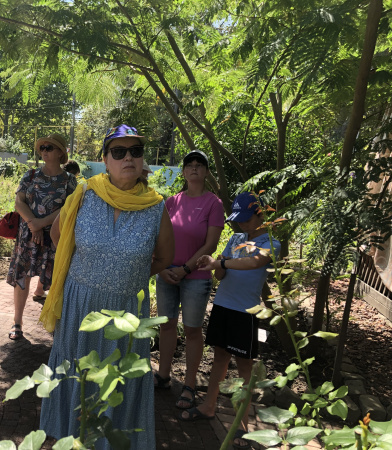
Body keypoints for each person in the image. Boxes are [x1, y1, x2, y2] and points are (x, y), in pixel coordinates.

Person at [39, 124, 175, 450]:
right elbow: (58, 235)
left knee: (117, 379)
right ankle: (70, 437)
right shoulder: (85, 194)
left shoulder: (156, 206)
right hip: (80, 306)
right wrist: (87, 269)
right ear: (105, 159)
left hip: (126, 313)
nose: (128, 158)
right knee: (76, 371)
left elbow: (164, 258)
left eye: (135, 151)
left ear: (142, 159)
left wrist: (128, 275)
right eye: (119, 152)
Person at [180, 192, 281, 450]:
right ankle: (209, 406)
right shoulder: (236, 238)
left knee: (245, 367)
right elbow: (221, 274)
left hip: (245, 312)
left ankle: (243, 425)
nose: (242, 224)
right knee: (220, 358)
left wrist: (222, 262)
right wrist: (214, 265)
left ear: (261, 214)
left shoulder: (271, 242)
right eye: (239, 220)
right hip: (223, 305)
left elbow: (254, 262)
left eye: (247, 219)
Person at [154, 150, 224, 411]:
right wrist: (162, 268)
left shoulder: (213, 203)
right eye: (189, 165)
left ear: (206, 172)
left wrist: (185, 269)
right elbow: (159, 237)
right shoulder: (172, 202)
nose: (194, 168)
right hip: (166, 274)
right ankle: (163, 376)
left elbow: (211, 244)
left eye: (199, 165)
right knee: (167, 325)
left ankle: (190, 384)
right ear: (183, 172)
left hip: (196, 277)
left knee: (193, 330)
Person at [6, 133, 77, 340]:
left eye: (49, 147)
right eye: (42, 147)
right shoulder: (30, 175)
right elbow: (19, 202)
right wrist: (33, 224)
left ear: (61, 152)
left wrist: (41, 223)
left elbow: (69, 208)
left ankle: (54, 323)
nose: (44, 151)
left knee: (56, 279)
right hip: (28, 236)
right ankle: (17, 322)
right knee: (22, 277)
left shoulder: (69, 181)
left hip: (54, 238)